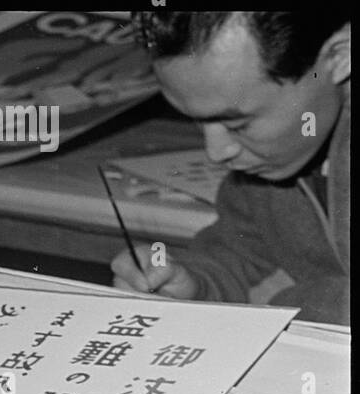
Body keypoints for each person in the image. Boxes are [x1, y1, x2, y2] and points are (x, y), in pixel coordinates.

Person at [111, 12, 350, 325]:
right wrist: (194, 286)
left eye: (238, 124)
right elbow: (245, 252)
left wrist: (287, 313)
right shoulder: (276, 163)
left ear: (339, 56)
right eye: (198, 119)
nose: (216, 152)